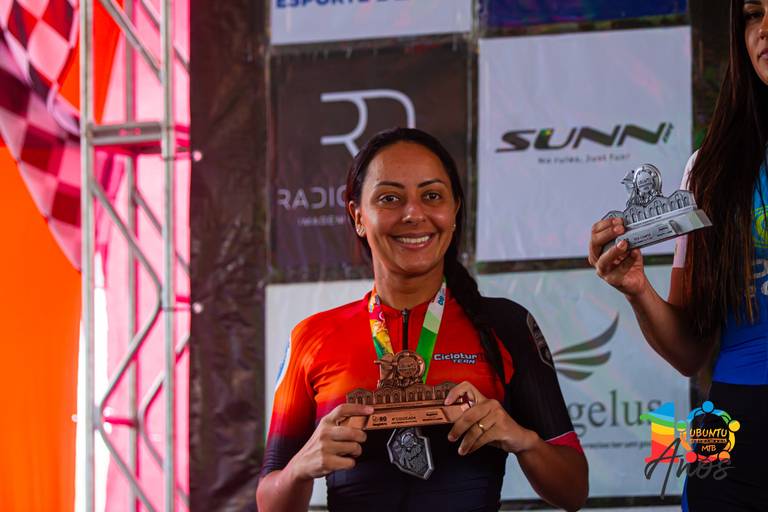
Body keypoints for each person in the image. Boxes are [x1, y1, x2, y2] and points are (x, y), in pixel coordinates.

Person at [257, 128, 588, 511]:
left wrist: (522, 439)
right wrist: (300, 468)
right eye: (390, 198)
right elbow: (269, 502)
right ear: (358, 216)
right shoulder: (313, 337)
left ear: (455, 209)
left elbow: (573, 490)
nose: (413, 214)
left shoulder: (505, 325)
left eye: (431, 196)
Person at [588, 1, 768, 509]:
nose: (764, 29)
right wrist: (637, 289)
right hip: (736, 425)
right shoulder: (711, 167)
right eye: (753, 14)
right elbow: (690, 352)